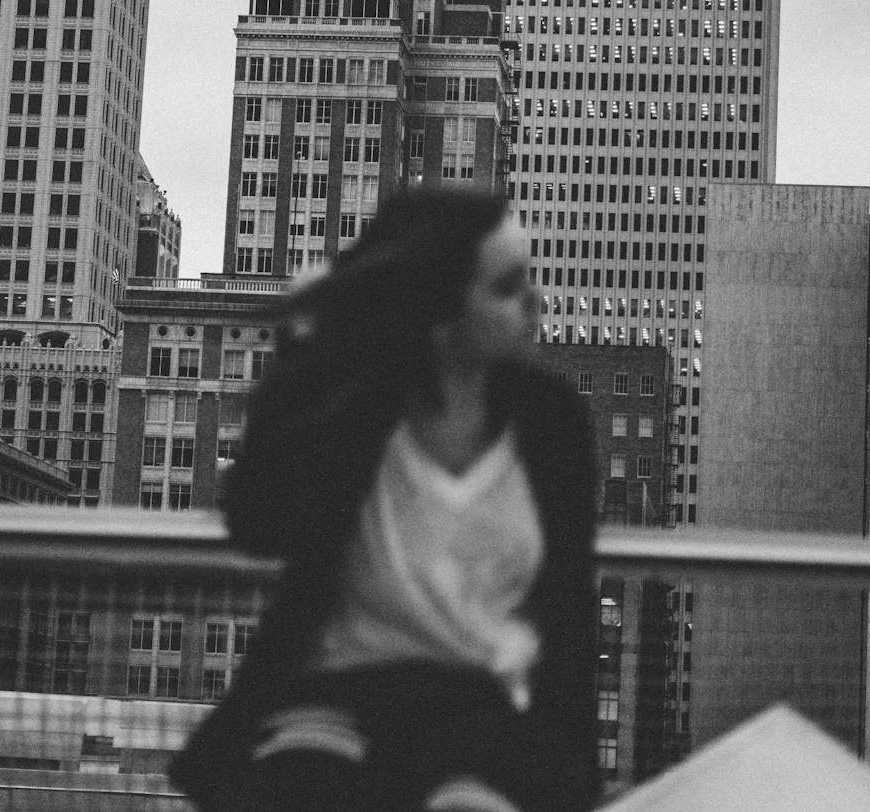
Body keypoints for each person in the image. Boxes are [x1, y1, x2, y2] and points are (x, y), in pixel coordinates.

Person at [170, 188, 598, 812]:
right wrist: (304, 349)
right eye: (507, 287)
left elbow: (569, 608)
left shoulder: (550, 422)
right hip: (341, 692)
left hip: (483, 706)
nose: (534, 302)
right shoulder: (362, 408)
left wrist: (574, 777)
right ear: (440, 309)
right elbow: (258, 520)